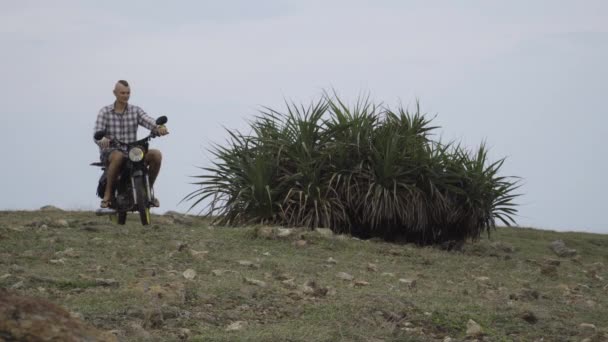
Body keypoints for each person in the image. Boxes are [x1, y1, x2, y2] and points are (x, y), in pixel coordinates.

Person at [93, 80, 169, 208]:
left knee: (157, 155)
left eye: (128, 93)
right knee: (118, 156)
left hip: (133, 151)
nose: (126, 95)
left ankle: (147, 190)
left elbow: (149, 121)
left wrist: (159, 127)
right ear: (115, 93)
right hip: (111, 151)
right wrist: (102, 140)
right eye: (122, 93)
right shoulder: (104, 112)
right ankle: (107, 195)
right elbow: (97, 134)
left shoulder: (135, 110)